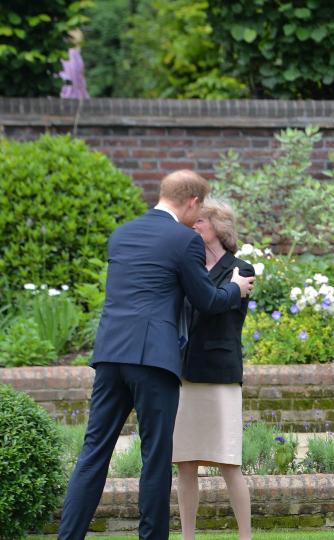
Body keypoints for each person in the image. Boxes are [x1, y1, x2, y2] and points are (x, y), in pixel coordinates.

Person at [58, 170, 255, 540]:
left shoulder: (121, 235)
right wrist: (235, 288)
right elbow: (208, 301)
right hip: (154, 361)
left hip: (110, 356)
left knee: (93, 455)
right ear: (193, 202)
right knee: (155, 461)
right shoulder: (184, 241)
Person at [172, 199, 255, 540]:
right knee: (185, 463)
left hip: (220, 374)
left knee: (229, 462)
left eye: (200, 221)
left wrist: (225, 289)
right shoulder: (187, 267)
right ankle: (187, 536)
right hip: (185, 375)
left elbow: (218, 308)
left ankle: (245, 536)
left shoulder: (242, 269)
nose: (193, 225)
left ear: (218, 226)